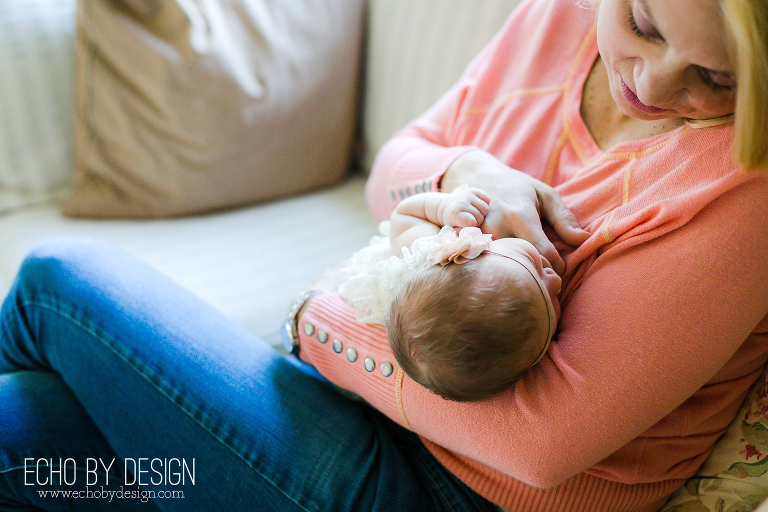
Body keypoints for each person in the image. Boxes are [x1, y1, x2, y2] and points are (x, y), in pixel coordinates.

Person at [0, 0, 766, 511]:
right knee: (18, 433)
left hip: (446, 492)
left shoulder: (748, 189)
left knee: (55, 286)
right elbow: (401, 160)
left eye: (717, 77)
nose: (653, 84)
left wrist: (319, 317)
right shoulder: (559, 17)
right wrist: (464, 170)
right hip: (353, 407)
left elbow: (538, 447)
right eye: (644, 25)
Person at [333, 186, 560, 401]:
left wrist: (443, 209)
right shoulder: (461, 256)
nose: (556, 280)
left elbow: (404, 214)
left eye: (534, 264)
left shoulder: (424, 249)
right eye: (552, 307)